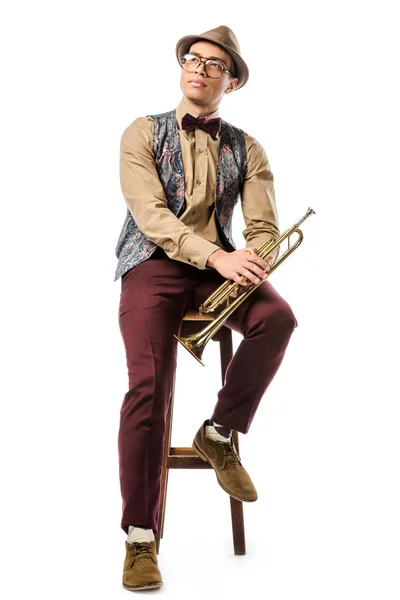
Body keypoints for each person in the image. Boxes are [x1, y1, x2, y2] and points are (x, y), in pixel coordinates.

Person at [115, 25, 297, 591]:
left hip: (216, 264)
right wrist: (217, 257)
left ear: (232, 81)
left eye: (214, 64)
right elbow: (152, 217)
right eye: (192, 58)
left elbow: (264, 226)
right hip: (153, 262)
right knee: (150, 386)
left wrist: (257, 256)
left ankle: (219, 431)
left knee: (277, 318)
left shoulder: (247, 147)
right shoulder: (142, 132)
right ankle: (140, 539)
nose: (198, 68)